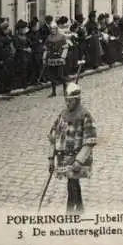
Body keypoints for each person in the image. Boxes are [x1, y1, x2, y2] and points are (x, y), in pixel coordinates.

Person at [48, 82, 97, 214]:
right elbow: (53, 136)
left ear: (77, 100)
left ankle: (69, 213)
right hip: (64, 157)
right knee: (73, 183)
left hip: (77, 157)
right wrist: (51, 159)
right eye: (66, 100)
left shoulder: (85, 115)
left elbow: (90, 141)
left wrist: (79, 160)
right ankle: (80, 208)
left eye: (70, 101)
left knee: (72, 184)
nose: (67, 103)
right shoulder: (62, 114)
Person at [43, 21, 68, 97]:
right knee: (52, 76)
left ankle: (65, 89)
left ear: (57, 29)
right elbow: (46, 49)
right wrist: (44, 58)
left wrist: (63, 57)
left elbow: (66, 48)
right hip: (51, 58)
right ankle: (54, 92)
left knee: (60, 76)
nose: (52, 30)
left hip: (59, 58)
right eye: (51, 29)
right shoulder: (48, 38)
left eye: (54, 29)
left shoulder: (62, 36)